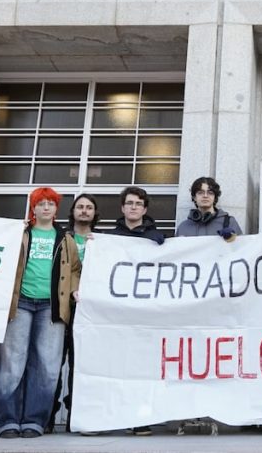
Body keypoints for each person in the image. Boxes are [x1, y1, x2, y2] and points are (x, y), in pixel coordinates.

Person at [0, 187, 81, 439]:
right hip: (19, 303)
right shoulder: (19, 234)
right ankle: (8, 421)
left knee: (47, 366)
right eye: (41, 203)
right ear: (33, 207)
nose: (46, 207)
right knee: (11, 363)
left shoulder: (66, 239)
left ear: (56, 209)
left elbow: (75, 269)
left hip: (51, 307)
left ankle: (34, 421)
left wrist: (74, 289)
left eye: (50, 203)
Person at [109, 186, 163, 435]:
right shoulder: (108, 238)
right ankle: (113, 416)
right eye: (129, 203)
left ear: (145, 209)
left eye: (138, 204)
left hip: (144, 313)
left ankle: (140, 418)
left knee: (142, 366)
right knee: (116, 365)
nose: (133, 207)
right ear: (122, 208)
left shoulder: (156, 238)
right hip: (116, 312)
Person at [47, 193, 99, 434]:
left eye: (89, 207)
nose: (84, 210)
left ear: (95, 213)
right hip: (60, 307)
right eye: (80, 206)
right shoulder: (61, 237)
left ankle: (75, 416)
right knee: (52, 362)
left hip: (88, 311)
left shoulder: (101, 240)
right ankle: (47, 415)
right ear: (73, 211)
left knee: (80, 365)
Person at [175, 177, 242, 240]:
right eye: (200, 193)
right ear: (194, 197)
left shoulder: (229, 223)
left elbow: (241, 246)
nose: (205, 196)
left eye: (210, 193)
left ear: (215, 198)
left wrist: (233, 238)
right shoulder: (183, 227)